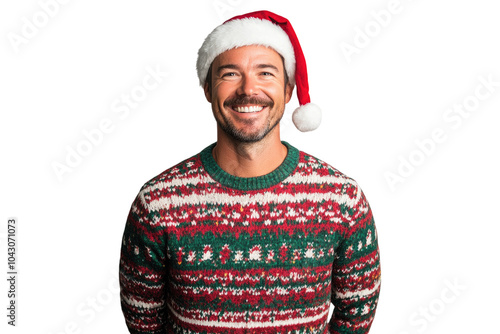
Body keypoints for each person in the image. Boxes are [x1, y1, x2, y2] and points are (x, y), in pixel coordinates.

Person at [119, 10, 381, 334]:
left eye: (266, 73)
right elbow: (143, 321)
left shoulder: (342, 200)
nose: (248, 89)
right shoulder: (157, 204)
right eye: (230, 74)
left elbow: (355, 316)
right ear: (207, 89)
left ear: (287, 91)